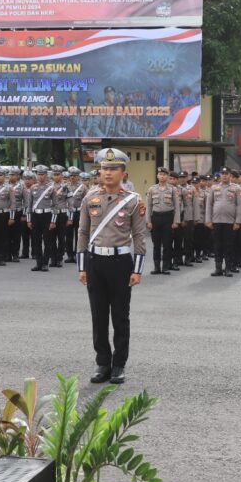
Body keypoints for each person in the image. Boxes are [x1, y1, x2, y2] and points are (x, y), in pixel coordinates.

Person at [76, 148, 146, 385]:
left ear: (123, 173)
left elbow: (139, 236)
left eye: (113, 169)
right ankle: (102, 363)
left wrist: (137, 270)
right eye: (104, 169)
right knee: (98, 316)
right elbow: (83, 233)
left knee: (120, 316)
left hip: (121, 263)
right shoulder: (89, 198)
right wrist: (82, 267)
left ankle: (118, 365)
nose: (107, 173)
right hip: (96, 262)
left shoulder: (134, 201)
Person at [205, 169, 241, 277]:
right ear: (220, 175)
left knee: (229, 245)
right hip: (216, 221)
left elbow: (240, 206)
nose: (224, 176)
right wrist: (208, 220)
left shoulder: (236, 188)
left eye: (226, 174)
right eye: (223, 174)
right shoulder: (214, 187)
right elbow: (209, 204)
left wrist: (238, 221)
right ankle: (218, 268)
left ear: (230, 176)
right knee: (217, 245)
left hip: (230, 222)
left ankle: (228, 268)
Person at [145, 167, 180, 275]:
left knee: (167, 243)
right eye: (160, 174)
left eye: (164, 175)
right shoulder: (151, 189)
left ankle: (165, 266)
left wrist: (176, 221)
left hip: (168, 218)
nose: (162, 176)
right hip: (155, 218)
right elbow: (148, 206)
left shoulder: (173, 189)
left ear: (167, 177)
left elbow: (177, 207)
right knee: (156, 244)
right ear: (157, 176)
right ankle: (156, 267)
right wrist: (148, 221)